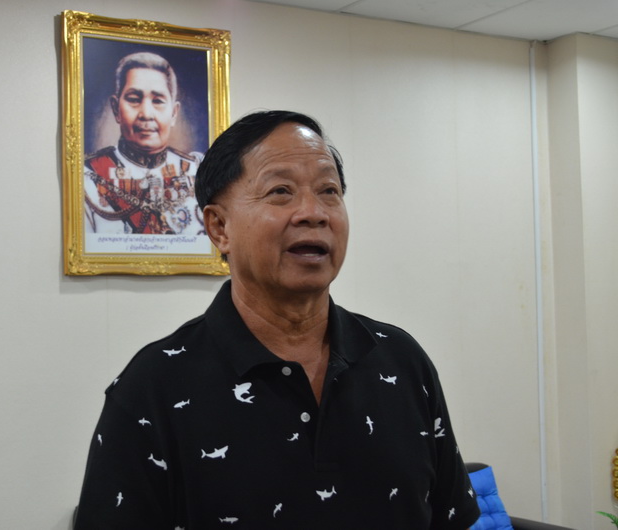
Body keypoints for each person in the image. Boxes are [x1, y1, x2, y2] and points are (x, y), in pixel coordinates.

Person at [74, 110, 480, 529]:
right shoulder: (154, 386)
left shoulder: (402, 361)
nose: (313, 212)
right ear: (219, 227)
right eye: (281, 191)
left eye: (329, 191)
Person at [84, 52, 203, 235]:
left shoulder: (197, 172)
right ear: (116, 108)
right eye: (134, 99)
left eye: (158, 101)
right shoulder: (87, 178)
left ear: (173, 113)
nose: (146, 114)